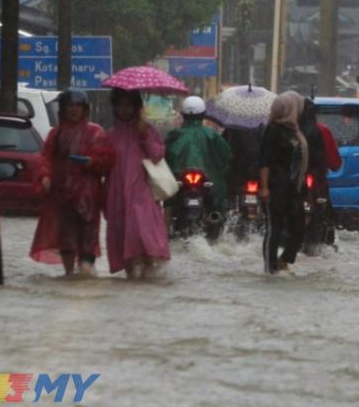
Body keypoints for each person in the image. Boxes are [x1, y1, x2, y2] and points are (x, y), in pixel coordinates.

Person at [30, 89, 113, 277]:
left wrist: (92, 162)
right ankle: (69, 276)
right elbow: (45, 159)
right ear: (63, 109)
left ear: (85, 109)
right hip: (62, 196)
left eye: (77, 106)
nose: (73, 110)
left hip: (88, 196)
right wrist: (44, 176)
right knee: (66, 239)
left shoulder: (96, 132)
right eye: (69, 106)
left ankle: (85, 273)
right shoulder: (56, 134)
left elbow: (107, 161)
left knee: (88, 238)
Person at [104, 88, 171, 280]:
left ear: (136, 107)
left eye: (129, 105)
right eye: (120, 105)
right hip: (117, 195)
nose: (124, 110)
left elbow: (157, 155)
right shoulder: (111, 135)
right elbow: (105, 166)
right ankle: (132, 281)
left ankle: (149, 278)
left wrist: (143, 135)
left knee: (145, 237)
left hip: (142, 193)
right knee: (123, 238)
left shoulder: (147, 130)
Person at [259, 92, 309, 274]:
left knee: (299, 227)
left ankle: (285, 259)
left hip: (293, 188)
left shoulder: (295, 130)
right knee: (274, 229)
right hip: (275, 187)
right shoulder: (272, 130)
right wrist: (264, 187)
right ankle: (270, 270)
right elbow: (264, 161)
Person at [164, 96, 233, 212]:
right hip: (210, 180)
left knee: (169, 206)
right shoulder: (212, 134)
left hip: (179, 181)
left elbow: (165, 157)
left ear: (183, 114)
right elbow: (226, 155)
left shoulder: (174, 135)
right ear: (204, 114)